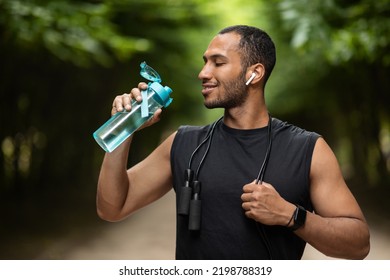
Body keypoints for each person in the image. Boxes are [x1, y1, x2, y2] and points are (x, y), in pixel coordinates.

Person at [96, 25, 370, 259]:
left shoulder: (308, 149)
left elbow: (358, 243)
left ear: (254, 73)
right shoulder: (183, 143)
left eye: (218, 62)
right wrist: (122, 129)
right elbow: (112, 207)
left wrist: (291, 215)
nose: (203, 73)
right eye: (205, 61)